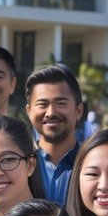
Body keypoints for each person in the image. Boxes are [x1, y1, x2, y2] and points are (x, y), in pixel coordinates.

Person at [26, 63, 85, 203]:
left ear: (78, 111)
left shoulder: (92, 162)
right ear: (29, 112)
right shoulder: (19, 165)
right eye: (42, 104)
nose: (51, 113)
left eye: (61, 103)